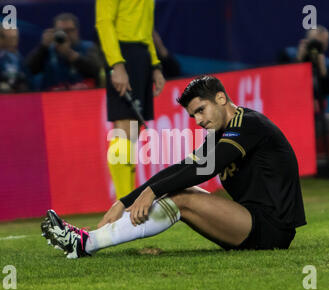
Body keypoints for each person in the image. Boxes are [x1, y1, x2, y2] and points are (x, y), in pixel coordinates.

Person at [41, 75, 307, 259]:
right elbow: (182, 168)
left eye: (202, 110)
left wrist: (153, 190)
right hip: (249, 223)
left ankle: (86, 243)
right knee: (179, 189)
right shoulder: (218, 133)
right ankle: (88, 240)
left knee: (181, 196)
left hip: (273, 231)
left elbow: (206, 169)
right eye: (194, 116)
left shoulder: (249, 124)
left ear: (221, 99)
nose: (199, 120)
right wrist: (125, 200)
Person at [95, 0, 166, 201]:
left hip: (141, 55)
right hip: (122, 53)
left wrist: (154, 64)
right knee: (123, 129)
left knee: (132, 133)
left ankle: (128, 201)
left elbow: (147, 28)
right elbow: (104, 22)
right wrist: (116, 64)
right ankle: (124, 203)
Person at [278, 25, 329, 178]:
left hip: (314, 120)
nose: (318, 47)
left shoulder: (327, 63)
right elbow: (281, 83)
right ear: (306, 40)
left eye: (322, 44)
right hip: (289, 120)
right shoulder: (289, 55)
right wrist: (298, 60)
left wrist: (322, 70)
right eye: (315, 42)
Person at [25, 12, 103, 91]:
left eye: (69, 30)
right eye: (61, 31)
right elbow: (29, 70)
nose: (66, 34)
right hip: (52, 98)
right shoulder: (47, 50)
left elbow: (97, 71)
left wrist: (70, 54)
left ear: (77, 31)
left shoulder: (88, 47)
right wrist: (42, 47)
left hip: (84, 97)